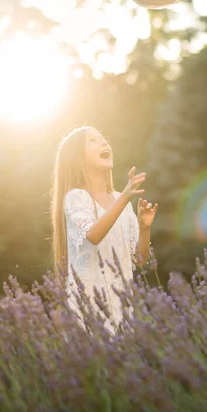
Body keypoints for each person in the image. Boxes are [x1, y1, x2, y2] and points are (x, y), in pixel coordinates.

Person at [50, 126, 158, 327]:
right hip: (87, 308)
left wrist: (144, 228)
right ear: (77, 159)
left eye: (103, 138)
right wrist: (126, 197)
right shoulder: (76, 198)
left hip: (121, 309)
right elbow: (93, 235)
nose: (104, 142)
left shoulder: (119, 201)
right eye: (92, 140)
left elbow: (140, 259)